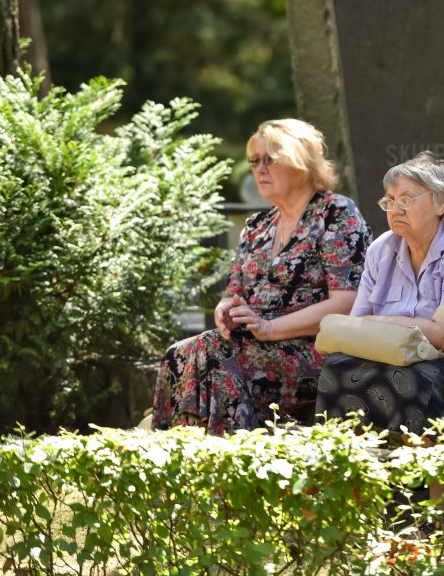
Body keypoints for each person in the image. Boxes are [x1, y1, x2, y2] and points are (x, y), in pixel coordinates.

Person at [151, 119, 371, 435]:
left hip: (317, 351)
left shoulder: (336, 214)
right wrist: (226, 309)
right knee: (179, 354)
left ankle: (229, 464)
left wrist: (270, 329)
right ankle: (178, 463)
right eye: (255, 161)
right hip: (252, 344)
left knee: (216, 351)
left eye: (270, 159)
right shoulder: (257, 225)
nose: (259, 169)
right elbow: (234, 292)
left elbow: (347, 303)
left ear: (301, 161)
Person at [315, 152, 444, 434]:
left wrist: (384, 327)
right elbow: (356, 334)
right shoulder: (381, 250)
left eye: (407, 200)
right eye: (390, 200)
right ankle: (351, 470)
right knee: (338, 366)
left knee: (409, 377)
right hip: (414, 360)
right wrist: (420, 341)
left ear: (440, 202)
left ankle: (419, 473)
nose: (396, 209)